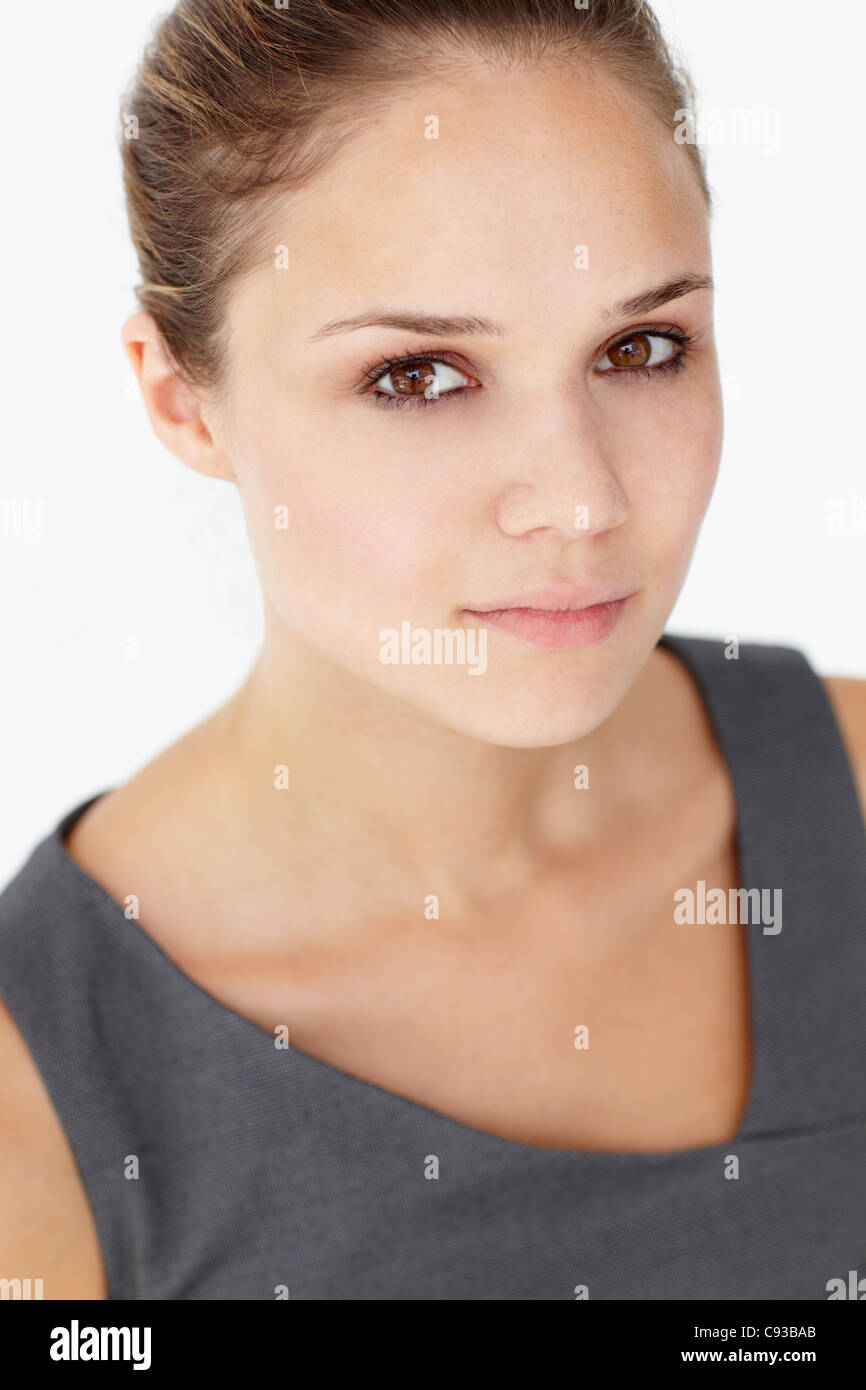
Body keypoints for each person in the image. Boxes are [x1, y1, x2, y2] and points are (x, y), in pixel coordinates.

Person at [1, 0, 864, 1301]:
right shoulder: (40, 1097)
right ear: (184, 399)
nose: (578, 497)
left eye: (641, 347)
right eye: (417, 375)